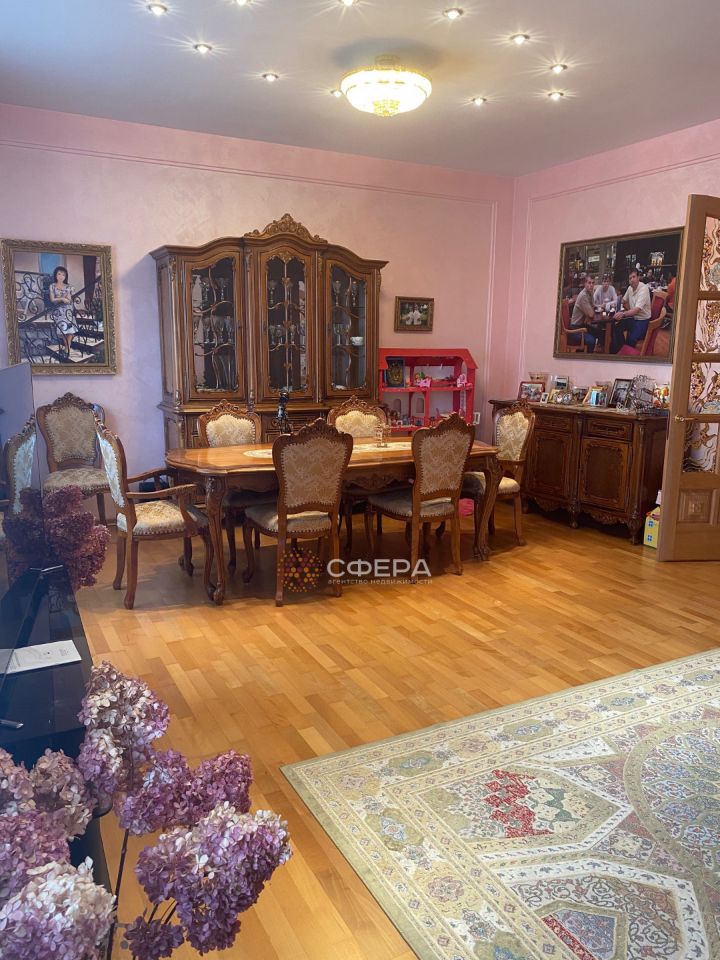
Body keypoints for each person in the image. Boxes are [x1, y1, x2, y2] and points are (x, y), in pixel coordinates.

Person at [611, 269, 651, 353]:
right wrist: (615, 303)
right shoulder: (630, 288)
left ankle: (626, 352)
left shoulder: (643, 289)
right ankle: (621, 349)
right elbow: (623, 300)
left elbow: (636, 310)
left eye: (634, 277)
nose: (632, 280)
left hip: (642, 320)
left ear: (638, 277)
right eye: (630, 278)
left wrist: (623, 314)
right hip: (633, 318)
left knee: (631, 340)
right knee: (616, 326)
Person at [48, 265, 77, 360]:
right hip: (58, 312)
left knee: (70, 330)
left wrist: (66, 298)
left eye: (63, 275)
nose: (61, 276)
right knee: (63, 330)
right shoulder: (52, 286)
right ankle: (67, 346)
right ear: (55, 275)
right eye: (59, 274)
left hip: (68, 311)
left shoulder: (69, 287)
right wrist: (62, 298)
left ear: (65, 276)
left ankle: (67, 348)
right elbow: (52, 300)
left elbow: (70, 300)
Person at [569, 275, 598, 351]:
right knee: (591, 340)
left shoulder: (590, 292)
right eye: (589, 283)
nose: (591, 285)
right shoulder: (583, 296)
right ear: (585, 284)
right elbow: (591, 314)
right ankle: (588, 357)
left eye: (593, 283)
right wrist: (591, 310)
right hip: (575, 329)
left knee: (599, 331)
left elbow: (593, 306)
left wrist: (592, 309)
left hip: (582, 325)